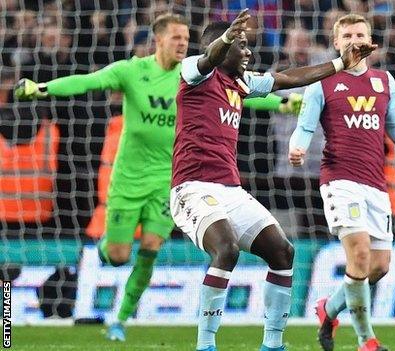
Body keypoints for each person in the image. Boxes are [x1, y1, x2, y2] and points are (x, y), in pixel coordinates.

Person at [13, 13, 302, 343]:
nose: (182, 44)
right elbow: (87, 81)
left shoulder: (194, 75)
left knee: (151, 247)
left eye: (185, 38)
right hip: (129, 178)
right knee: (119, 256)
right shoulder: (132, 70)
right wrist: (41, 88)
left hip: (170, 180)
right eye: (176, 37)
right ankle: (105, 252)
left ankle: (121, 320)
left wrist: (283, 105)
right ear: (159, 40)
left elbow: (241, 96)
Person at [169, 8, 376, 351]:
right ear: (223, 47)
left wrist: (342, 63)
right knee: (226, 249)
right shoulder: (194, 73)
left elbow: (289, 78)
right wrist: (224, 39)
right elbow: (208, 58)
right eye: (242, 45)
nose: (249, 52)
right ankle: (205, 344)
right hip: (191, 189)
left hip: (230, 191)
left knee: (283, 252)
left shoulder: (241, 82)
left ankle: (273, 345)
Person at [288, 14, 395, 351]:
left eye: (359, 33)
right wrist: (297, 147)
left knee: (379, 267)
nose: (353, 39)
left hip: (376, 183)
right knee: (358, 256)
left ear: (371, 41)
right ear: (336, 43)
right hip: (339, 179)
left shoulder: (384, 81)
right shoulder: (322, 82)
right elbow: (305, 125)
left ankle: (328, 308)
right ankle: (367, 341)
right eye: (346, 35)